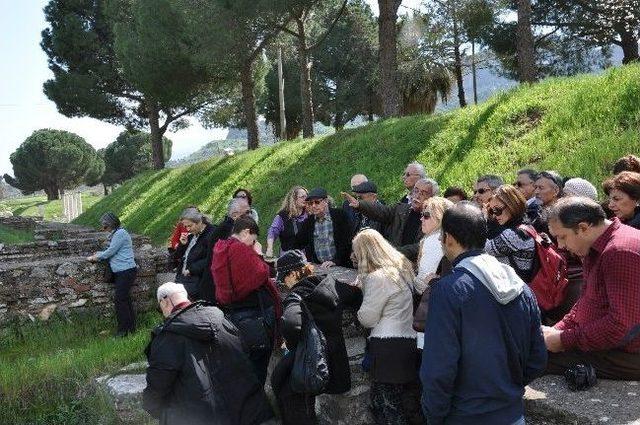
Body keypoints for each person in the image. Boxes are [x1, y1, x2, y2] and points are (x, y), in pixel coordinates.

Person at [420, 202, 547, 424]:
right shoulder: (520, 286)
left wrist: (434, 415)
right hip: (511, 413)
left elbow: (439, 368)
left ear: (448, 238)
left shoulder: (448, 290)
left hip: (464, 415)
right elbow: (537, 357)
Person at [142, 282, 274, 425]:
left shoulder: (167, 337)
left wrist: (152, 407)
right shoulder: (222, 319)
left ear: (165, 301)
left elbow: (158, 384)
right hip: (244, 409)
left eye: (159, 307)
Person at [544, 197, 640, 380]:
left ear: (583, 228)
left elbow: (620, 326)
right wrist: (557, 330)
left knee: (530, 360)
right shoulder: (596, 246)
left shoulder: (620, 251)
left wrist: (563, 340)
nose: (560, 246)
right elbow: (586, 302)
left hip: (629, 353)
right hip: (613, 344)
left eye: (562, 237)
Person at [270, 250, 362, 425]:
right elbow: (356, 295)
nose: (284, 283)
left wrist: (290, 344)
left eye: (284, 278)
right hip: (333, 361)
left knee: (285, 387)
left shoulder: (296, 296)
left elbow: (292, 324)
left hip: (310, 362)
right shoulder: (329, 284)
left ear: (292, 274)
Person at [353, 229, 422, 425]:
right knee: (405, 404)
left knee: (388, 408)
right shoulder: (402, 269)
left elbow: (367, 318)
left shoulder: (379, 277)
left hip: (387, 347)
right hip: (408, 342)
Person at [211, 216, 280, 386]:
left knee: (243, 369)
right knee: (256, 369)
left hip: (233, 315)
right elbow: (260, 274)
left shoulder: (221, 248)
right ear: (246, 232)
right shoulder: (240, 249)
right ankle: (255, 407)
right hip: (252, 318)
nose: (252, 244)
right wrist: (258, 253)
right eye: (253, 240)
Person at [343, 178, 438, 262]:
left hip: (414, 269)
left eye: (423, 193)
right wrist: (360, 205)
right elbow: (381, 211)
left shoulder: (434, 220)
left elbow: (420, 247)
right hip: (392, 264)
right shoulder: (400, 209)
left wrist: (392, 252)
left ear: (433, 198)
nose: (417, 196)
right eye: (415, 191)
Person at [87, 212, 137, 337]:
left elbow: (111, 251)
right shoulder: (117, 233)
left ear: (110, 224)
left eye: (104, 226)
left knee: (120, 300)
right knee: (125, 300)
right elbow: (111, 249)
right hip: (123, 271)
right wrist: (98, 253)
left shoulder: (120, 233)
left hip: (125, 271)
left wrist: (96, 256)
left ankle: (123, 331)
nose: (104, 229)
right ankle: (130, 328)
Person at [484, 185, 536, 283]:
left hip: (515, 289)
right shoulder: (523, 225)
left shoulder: (517, 234)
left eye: (497, 210)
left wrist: (484, 219)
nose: (494, 215)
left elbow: (480, 248)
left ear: (511, 205)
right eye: (491, 211)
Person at [294, 188, 353, 267]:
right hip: (320, 266)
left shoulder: (340, 215)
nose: (313, 206)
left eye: (317, 202)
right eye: (310, 203)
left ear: (326, 201)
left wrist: (335, 261)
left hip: (341, 265)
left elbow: (347, 242)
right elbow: (298, 243)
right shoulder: (309, 221)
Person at [172, 209, 217, 301]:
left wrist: (192, 269)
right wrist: (182, 245)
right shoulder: (191, 235)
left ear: (199, 222)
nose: (188, 229)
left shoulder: (212, 234)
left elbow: (213, 258)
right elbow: (176, 257)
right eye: (185, 226)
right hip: (184, 279)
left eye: (190, 226)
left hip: (199, 282)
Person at [414, 197, 454, 296]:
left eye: (426, 215)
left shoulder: (434, 240)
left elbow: (422, 284)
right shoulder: (446, 236)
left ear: (439, 217)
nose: (421, 218)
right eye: (422, 214)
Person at [266, 186, 308, 258]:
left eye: (306, 196)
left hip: (308, 258)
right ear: (294, 199)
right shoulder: (282, 216)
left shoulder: (309, 214)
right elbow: (272, 232)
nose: (306, 199)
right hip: (288, 257)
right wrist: (270, 248)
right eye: (302, 197)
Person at [532, 170, 563, 236]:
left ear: (556, 191)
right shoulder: (535, 212)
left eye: (541, 188)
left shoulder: (562, 216)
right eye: (535, 187)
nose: (536, 192)